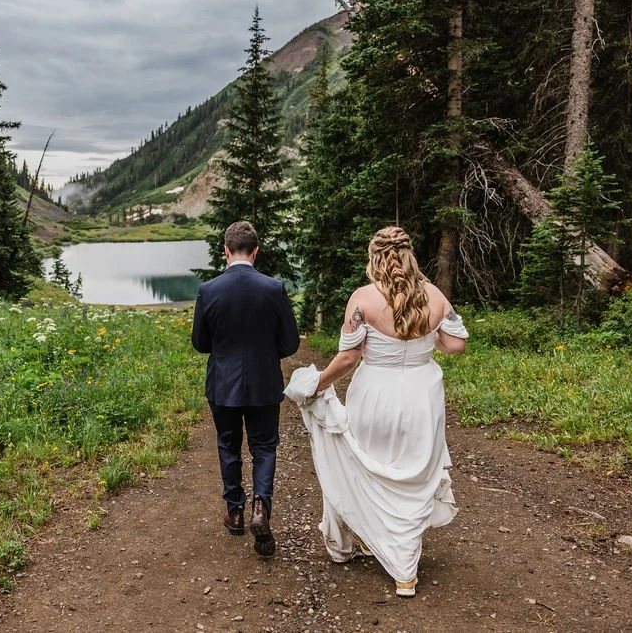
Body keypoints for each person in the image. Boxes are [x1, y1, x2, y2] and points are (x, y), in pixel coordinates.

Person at [284, 226, 468, 597]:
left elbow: (349, 356)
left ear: (375, 258)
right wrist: (427, 336)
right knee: (412, 476)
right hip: (422, 396)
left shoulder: (363, 299)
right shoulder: (434, 295)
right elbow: (456, 345)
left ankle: (390, 556)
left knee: (370, 468)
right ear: (409, 256)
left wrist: (318, 383)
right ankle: (401, 566)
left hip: (375, 394)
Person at [191, 221, 300, 557]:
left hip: (222, 383)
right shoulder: (274, 288)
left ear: (226, 251)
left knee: (228, 444)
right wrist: (266, 354)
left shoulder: (208, 291)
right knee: (264, 446)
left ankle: (235, 512)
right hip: (264, 382)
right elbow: (291, 343)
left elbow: (200, 343)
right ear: (255, 251)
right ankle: (261, 509)